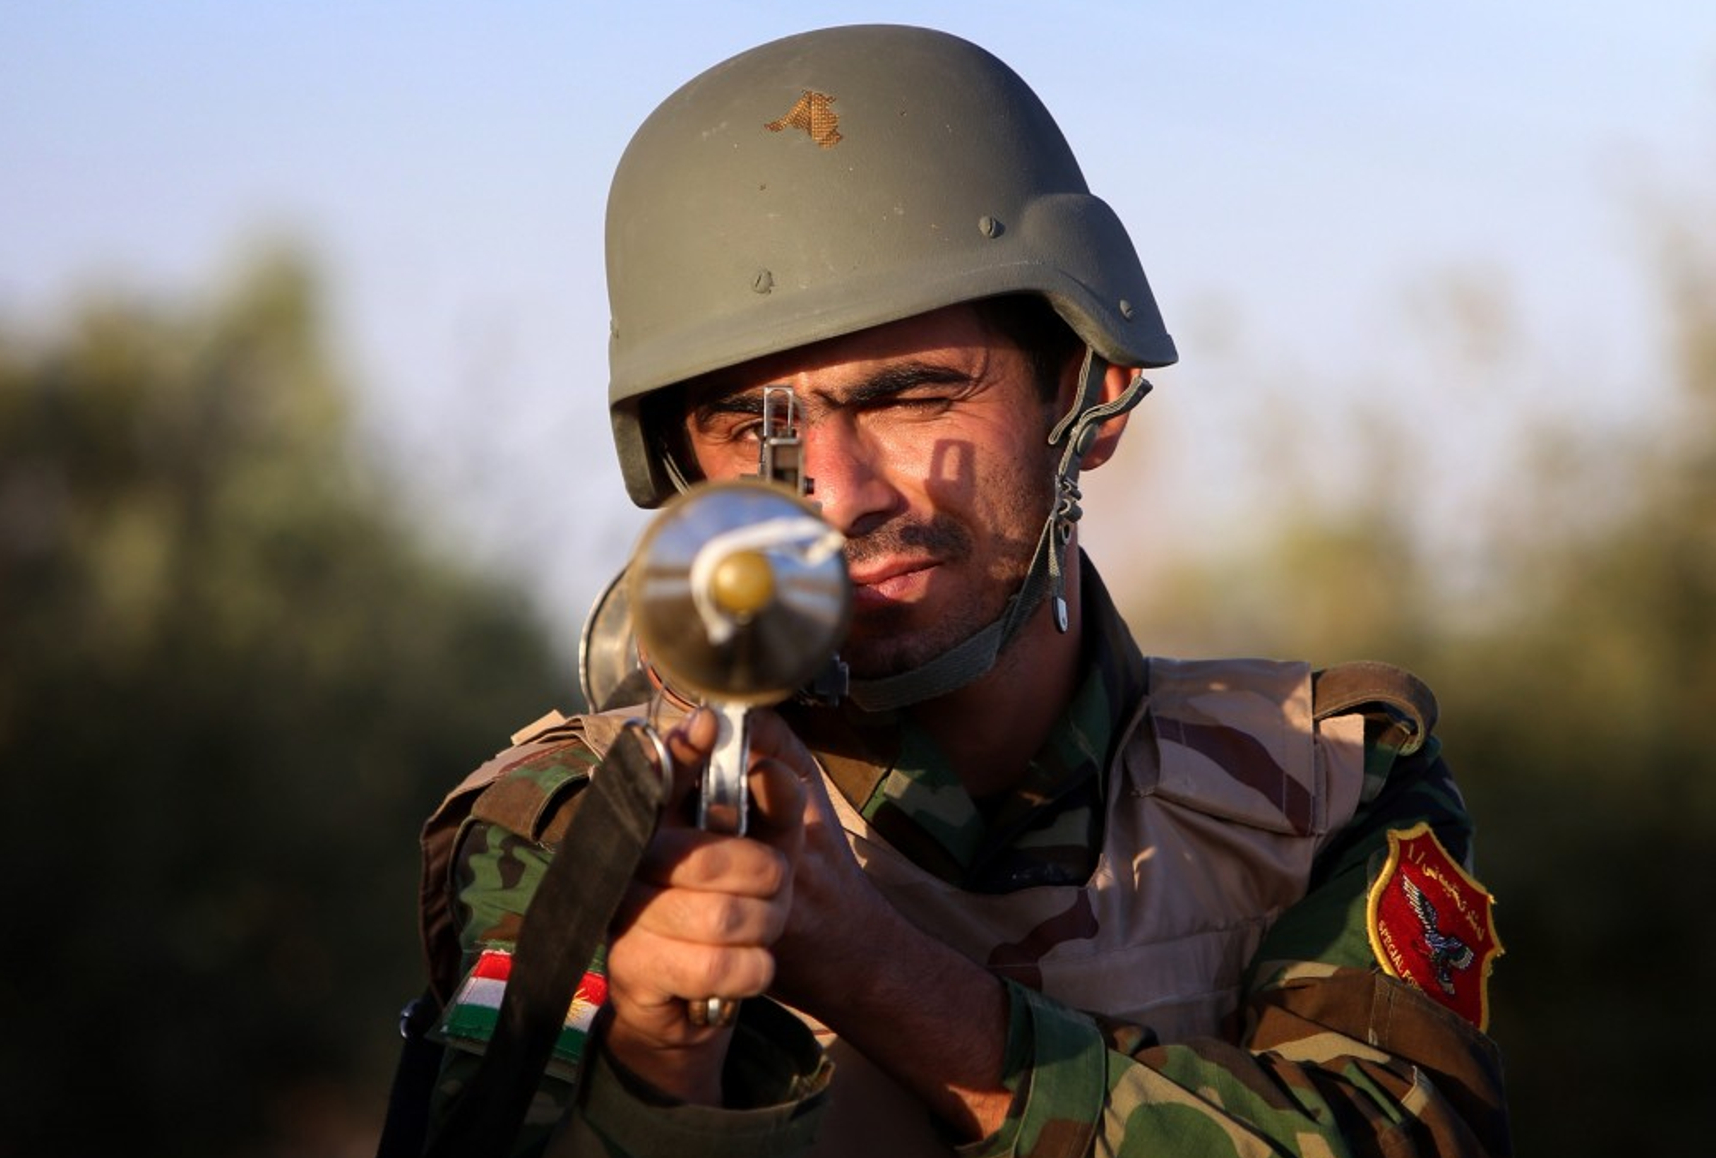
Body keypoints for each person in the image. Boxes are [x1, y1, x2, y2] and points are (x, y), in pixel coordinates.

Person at [411, 23, 1509, 1157]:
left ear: (1090, 396)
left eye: (910, 398)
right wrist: (654, 1061)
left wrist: (871, 966)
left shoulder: (1321, 784)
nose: (837, 497)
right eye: (756, 430)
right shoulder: (577, 827)